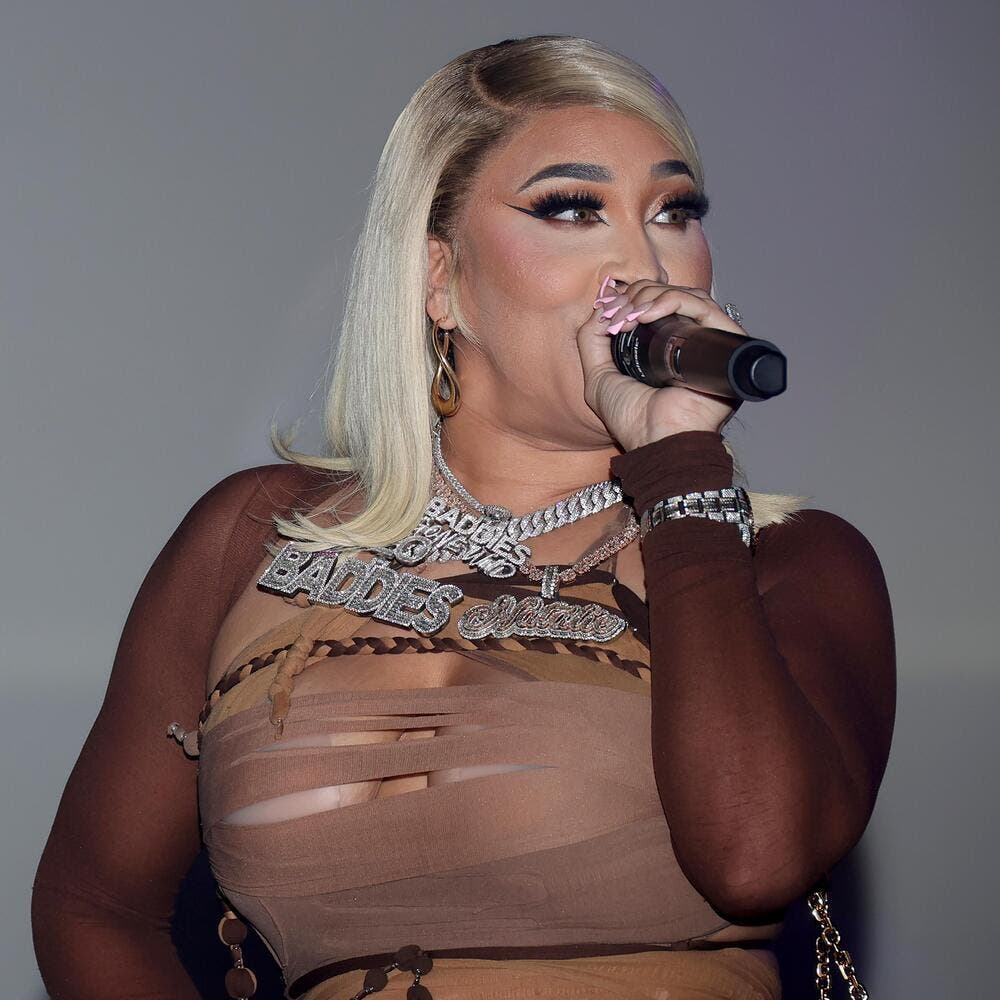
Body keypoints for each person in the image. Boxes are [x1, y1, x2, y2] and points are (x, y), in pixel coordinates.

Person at [31, 34, 896, 1000]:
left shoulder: (789, 564)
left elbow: (756, 858)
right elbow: (92, 907)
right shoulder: (255, 536)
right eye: (573, 209)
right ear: (440, 279)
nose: (643, 260)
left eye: (674, 211)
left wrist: (681, 473)